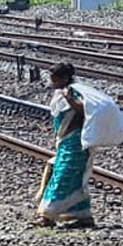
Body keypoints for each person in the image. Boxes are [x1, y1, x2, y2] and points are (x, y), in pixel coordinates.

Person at [34, 63, 95, 229]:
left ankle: (48, 215)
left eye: (54, 80)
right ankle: (83, 216)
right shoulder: (61, 93)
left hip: (75, 142)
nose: (52, 83)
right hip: (66, 141)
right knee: (73, 178)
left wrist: (69, 98)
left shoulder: (74, 93)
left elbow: (84, 111)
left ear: (64, 79)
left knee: (63, 176)